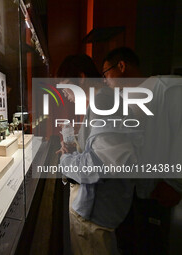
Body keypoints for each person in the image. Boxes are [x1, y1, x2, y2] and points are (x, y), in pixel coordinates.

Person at [102, 47, 182, 254]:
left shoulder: (168, 88)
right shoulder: (127, 98)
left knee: (153, 245)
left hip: (159, 192)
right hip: (134, 192)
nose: (105, 80)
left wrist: (175, 182)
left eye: (106, 74)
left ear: (121, 66)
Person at [56, 54, 138, 255]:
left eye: (65, 85)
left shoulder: (103, 103)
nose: (65, 93)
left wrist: (65, 161)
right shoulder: (103, 100)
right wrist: (75, 150)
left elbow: (100, 165)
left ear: (81, 78)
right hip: (100, 208)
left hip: (95, 214)